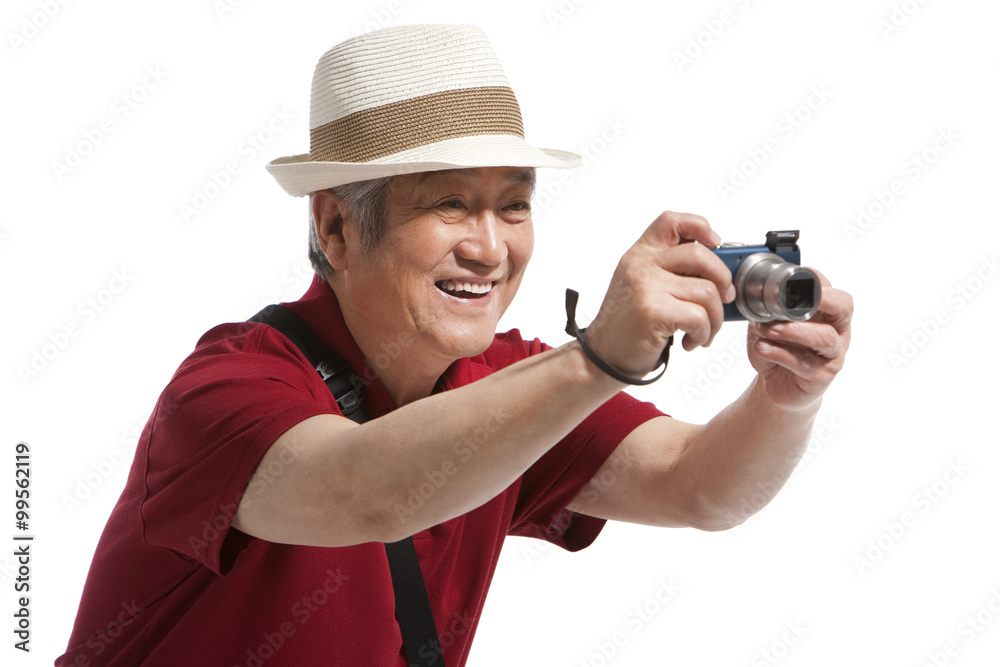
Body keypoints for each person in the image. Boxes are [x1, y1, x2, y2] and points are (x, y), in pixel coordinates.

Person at [56, 24, 852, 666]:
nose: (490, 248)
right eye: (448, 203)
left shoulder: (506, 384)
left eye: (513, 206)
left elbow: (701, 486)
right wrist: (595, 357)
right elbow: (366, 488)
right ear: (335, 226)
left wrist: (789, 397)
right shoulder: (225, 389)